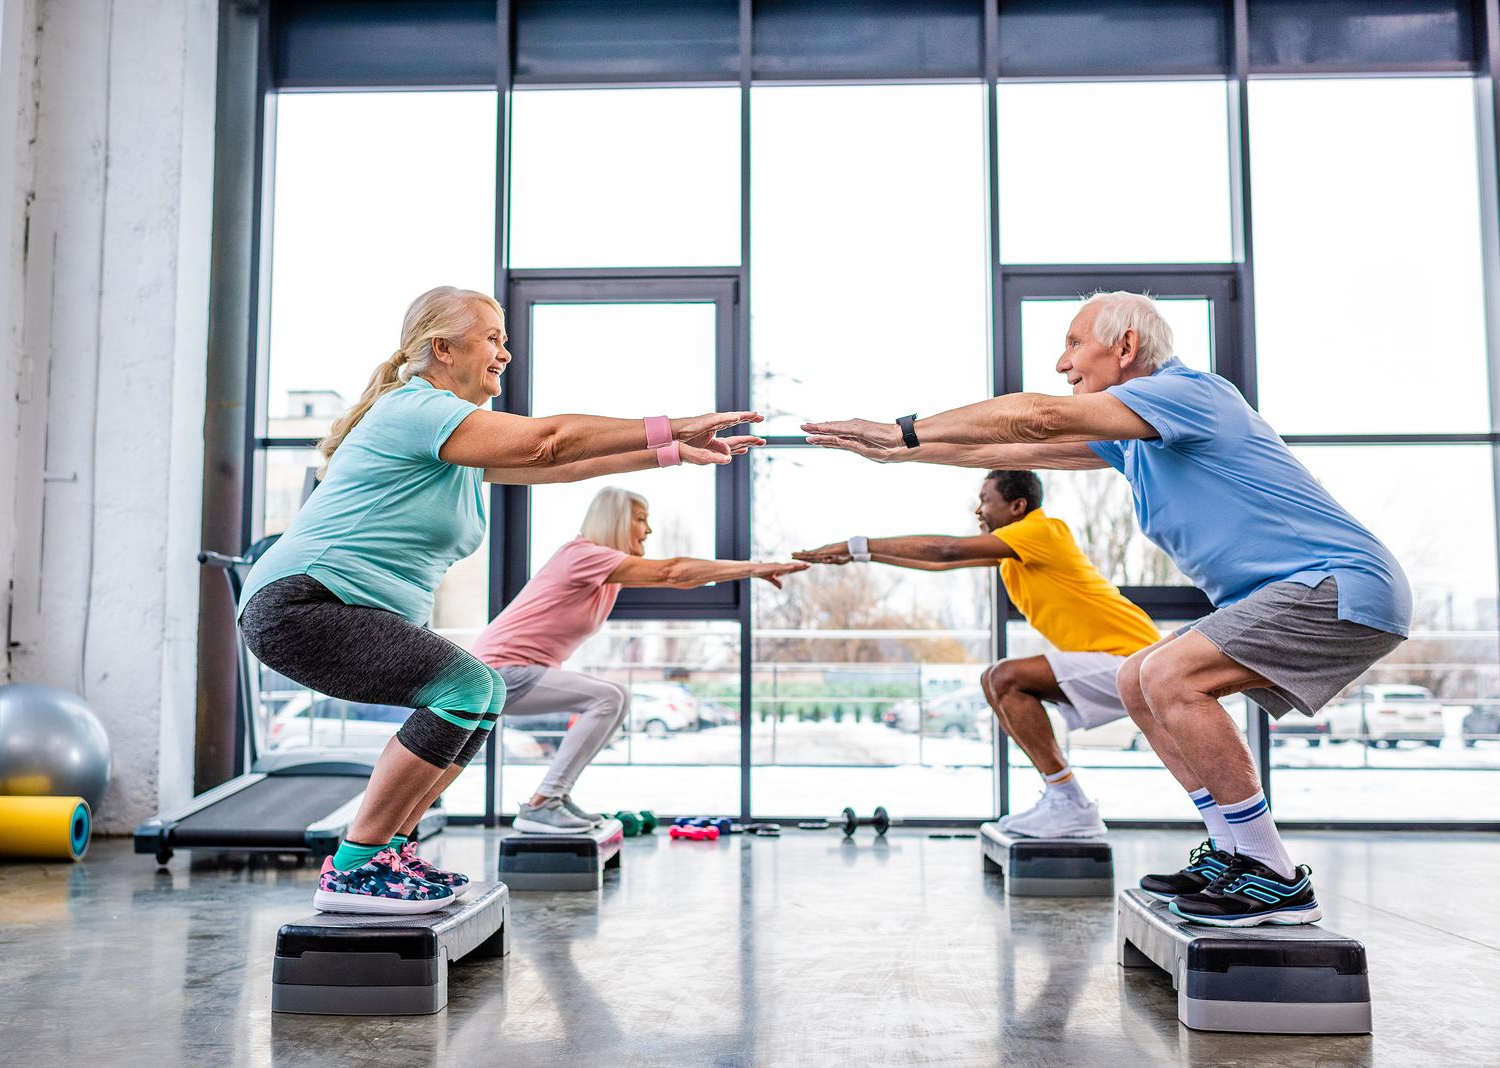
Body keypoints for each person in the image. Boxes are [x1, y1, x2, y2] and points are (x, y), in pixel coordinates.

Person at [803, 290, 1410, 927]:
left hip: (1338, 583)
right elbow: (1013, 451)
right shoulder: (1139, 437)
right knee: (1137, 679)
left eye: (1073, 344)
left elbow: (1034, 418)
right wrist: (897, 450)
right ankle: (1236, 853)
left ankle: (1273, 873)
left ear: (1125, 347)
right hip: (1293, 592)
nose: (1063, 365)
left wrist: (902, 428)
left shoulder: (1192, 394)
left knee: (1170, 676)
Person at [237, 285, 763, 914]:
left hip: (340, 608)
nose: (505, 354)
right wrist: (672, 422)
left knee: (479, 691)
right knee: (465, 685)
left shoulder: (453, 445)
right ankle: (353, 868)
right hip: (305, 603)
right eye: (492, 339)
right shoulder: (416, 410)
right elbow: (548, 442)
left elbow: (562, 468)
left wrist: (673, 453)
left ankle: (389, 852)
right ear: (441, 348)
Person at [793, 470, 1160, 838]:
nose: (978, 509)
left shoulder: (1041, 530)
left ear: (1018, 506)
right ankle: (1067, 799)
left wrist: (857, 544)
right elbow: (941, 562)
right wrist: (862, 556)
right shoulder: (1016, 549)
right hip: (1121, 662)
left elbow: (946, 549)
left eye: (986, 499)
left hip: (1135, 660)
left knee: (1005, 678)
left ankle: (1070, 802)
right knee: (1000, 681)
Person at [472, 487, 806, 833]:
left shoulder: (604, 570)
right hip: (495, 674)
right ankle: (543, 803)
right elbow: (673, 572)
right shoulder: (582, 555)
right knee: (610, 696)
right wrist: (754, 569)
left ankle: (553, 797)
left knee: (615, 699)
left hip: (515, 673)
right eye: (641, 519)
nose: (648, 530)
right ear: (614, 520)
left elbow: (679, 577)